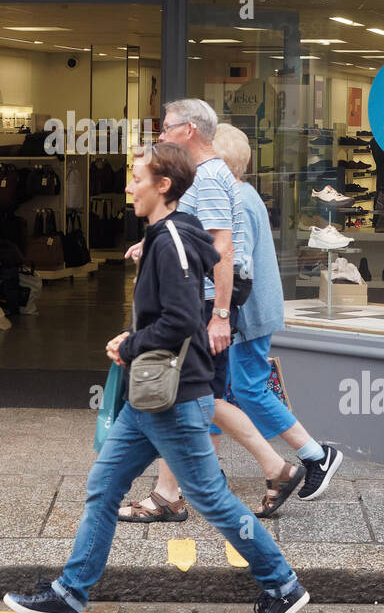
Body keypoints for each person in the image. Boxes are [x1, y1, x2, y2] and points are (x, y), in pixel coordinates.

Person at [2, 142, 310, 613]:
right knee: (103, 487)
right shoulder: (172, 234)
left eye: (137, 178)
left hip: (174, 398)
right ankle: (70, 593)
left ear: (163, 186)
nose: (128, 186)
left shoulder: (170, 241)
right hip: (150, 398)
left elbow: (183, 319)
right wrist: (137, 337)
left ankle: (282, 584)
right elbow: (173, 312)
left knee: (211, 499)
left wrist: (130, 345)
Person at [117, 99, 283, 523]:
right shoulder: (210, 176)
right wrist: (152, 245)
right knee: (193, 395)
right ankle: (170, 493)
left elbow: (221, 250)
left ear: (189, 130)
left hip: (206, 300)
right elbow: (196, 240)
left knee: (197, 395)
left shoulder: (207, 178)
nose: (161, 135)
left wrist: (220, 315)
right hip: (206, 298)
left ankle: (275, 468)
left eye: (167, 127)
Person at [214, 124, 344, 513]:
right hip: (250, 311)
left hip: (246, 314)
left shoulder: (234, 200)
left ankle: (316, 454)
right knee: (215, 391)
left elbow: (236, 263)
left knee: (249, 389)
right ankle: (209, 470)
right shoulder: (244, 193)